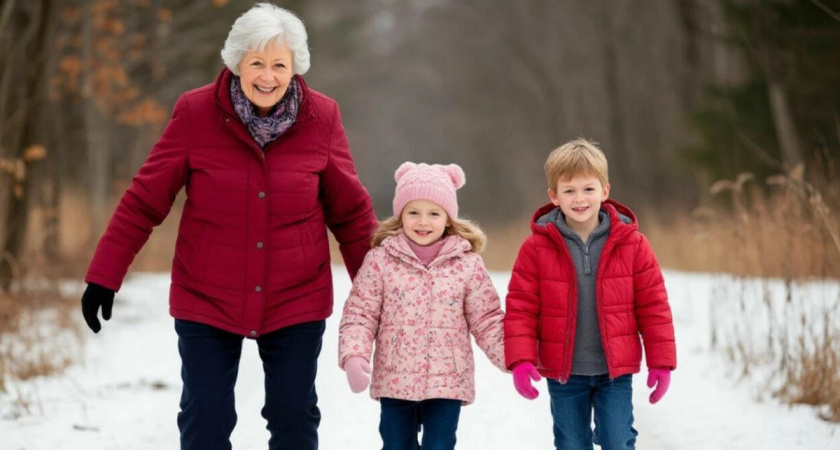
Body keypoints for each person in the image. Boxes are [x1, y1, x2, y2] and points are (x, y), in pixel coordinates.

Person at [79, 4, 377, 449]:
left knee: (293, 417)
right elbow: (144, 201)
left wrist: (381, 294)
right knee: (206, 418)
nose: (268, 76)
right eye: (256, 63)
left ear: (296, 67)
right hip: (207, 296)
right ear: (236, 62)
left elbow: (351, 216)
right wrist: (105, 276)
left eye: (279, 64)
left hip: (296, 296)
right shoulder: (196, 112)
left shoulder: (323, 118)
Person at [504, 138, 676, 450]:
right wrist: (521, 360)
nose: (579, 199)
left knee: (616, 439)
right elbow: (521, 309)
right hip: (564, 373)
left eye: (588, 189)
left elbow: (654, 307)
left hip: (615, 370)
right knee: (570, 442)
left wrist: (661, 362)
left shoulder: (634, 245)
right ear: (554, 196)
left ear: (605, 191)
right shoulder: (535, 248)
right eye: (569, 191)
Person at [338, 162, 506, 450]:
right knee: (395, 444)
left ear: (448, 218)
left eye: (433, 213)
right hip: (395, 377)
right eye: (413, 212)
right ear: (401, 215)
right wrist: (354, 355)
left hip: (447, 381)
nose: (423, 222)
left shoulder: (467, 265)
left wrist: (515, 356)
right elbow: (360, 314)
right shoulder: (381, 261)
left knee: (439, 445)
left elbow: (487, 319)